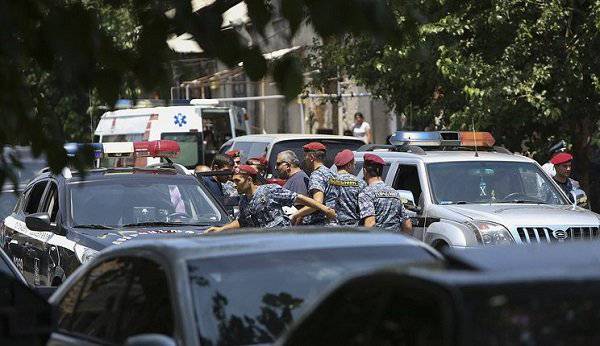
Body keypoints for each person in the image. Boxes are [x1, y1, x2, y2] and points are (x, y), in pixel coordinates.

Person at [206, 165, 335, 232]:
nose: (234, 184)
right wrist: (221, 229)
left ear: (249, 180)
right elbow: (242, 222)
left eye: (237, 180)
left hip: (282, 239)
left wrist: (325, 209)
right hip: (264, 242)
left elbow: (299, 198)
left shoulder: (269, 190)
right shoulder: (244, 201)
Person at [358, 153, 412, 234]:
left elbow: (370, 223)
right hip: (394, 242)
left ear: (365, 171)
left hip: (377, 242)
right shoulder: (394, 193)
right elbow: (407, 225)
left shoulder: (366, 193)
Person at [296, 142, 337, 225]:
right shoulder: (331, 173)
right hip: (333, 223)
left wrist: (296, 214)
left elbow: (318, 202)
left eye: (305, 156)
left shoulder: (317, 175)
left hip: (321, 225)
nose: (304, 159)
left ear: (311, 157)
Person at [328, 149, 365, 226]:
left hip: (332, 227)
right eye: (354, 165)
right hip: (353, 227)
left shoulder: (328, 181)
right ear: (349, 165)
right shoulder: (360, 183)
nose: (355, 167)